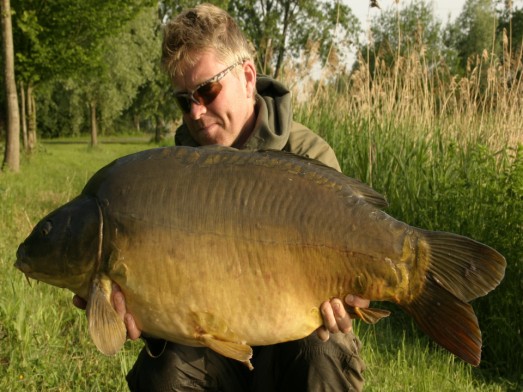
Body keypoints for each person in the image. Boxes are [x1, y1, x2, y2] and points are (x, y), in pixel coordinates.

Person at [74, 3, 370, 391]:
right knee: (164, 373)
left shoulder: (308, 159)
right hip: (214, 350)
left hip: (294, 343)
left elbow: (352, 276)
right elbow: (174, 298)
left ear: (247, 77)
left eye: (207, 91)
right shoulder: (172, 179)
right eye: (183, 100)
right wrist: (148, 321)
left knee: (326, 350)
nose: (196, 112)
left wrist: (346, 303)